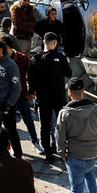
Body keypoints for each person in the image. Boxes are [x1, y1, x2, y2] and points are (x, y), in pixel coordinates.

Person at [28, 32, 71, 164]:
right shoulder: (60, 57)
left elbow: (31, 81)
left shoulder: (35, 59)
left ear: (43, 43)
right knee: (61, 125)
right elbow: (68, 73)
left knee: (45, 126)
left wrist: (33, 97)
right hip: (58, 98)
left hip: (43, 98)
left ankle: (48, 153)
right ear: (55, 43)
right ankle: (61, 150)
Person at [0, 36, 39, 153]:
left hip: (22, 95)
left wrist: (31, 92)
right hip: (8, 98)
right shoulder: (0, 59)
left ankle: (35, 142)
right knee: (10, 125)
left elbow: (31, 76)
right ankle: (11, 146)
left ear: (7, 47)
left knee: (28, 120)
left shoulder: (22, 58)